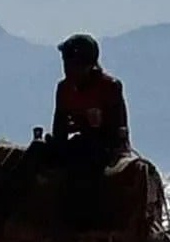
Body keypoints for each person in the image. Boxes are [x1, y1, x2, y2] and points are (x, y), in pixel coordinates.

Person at [51, 34, 130, 163]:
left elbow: (116, 134)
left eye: (73, 64)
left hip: (104, 151)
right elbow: (59, 130)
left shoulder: (109, 87)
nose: (67, 68)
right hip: (76, 146)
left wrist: (86, 127)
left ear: (89, 65)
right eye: (65, 61)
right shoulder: (64, 89)